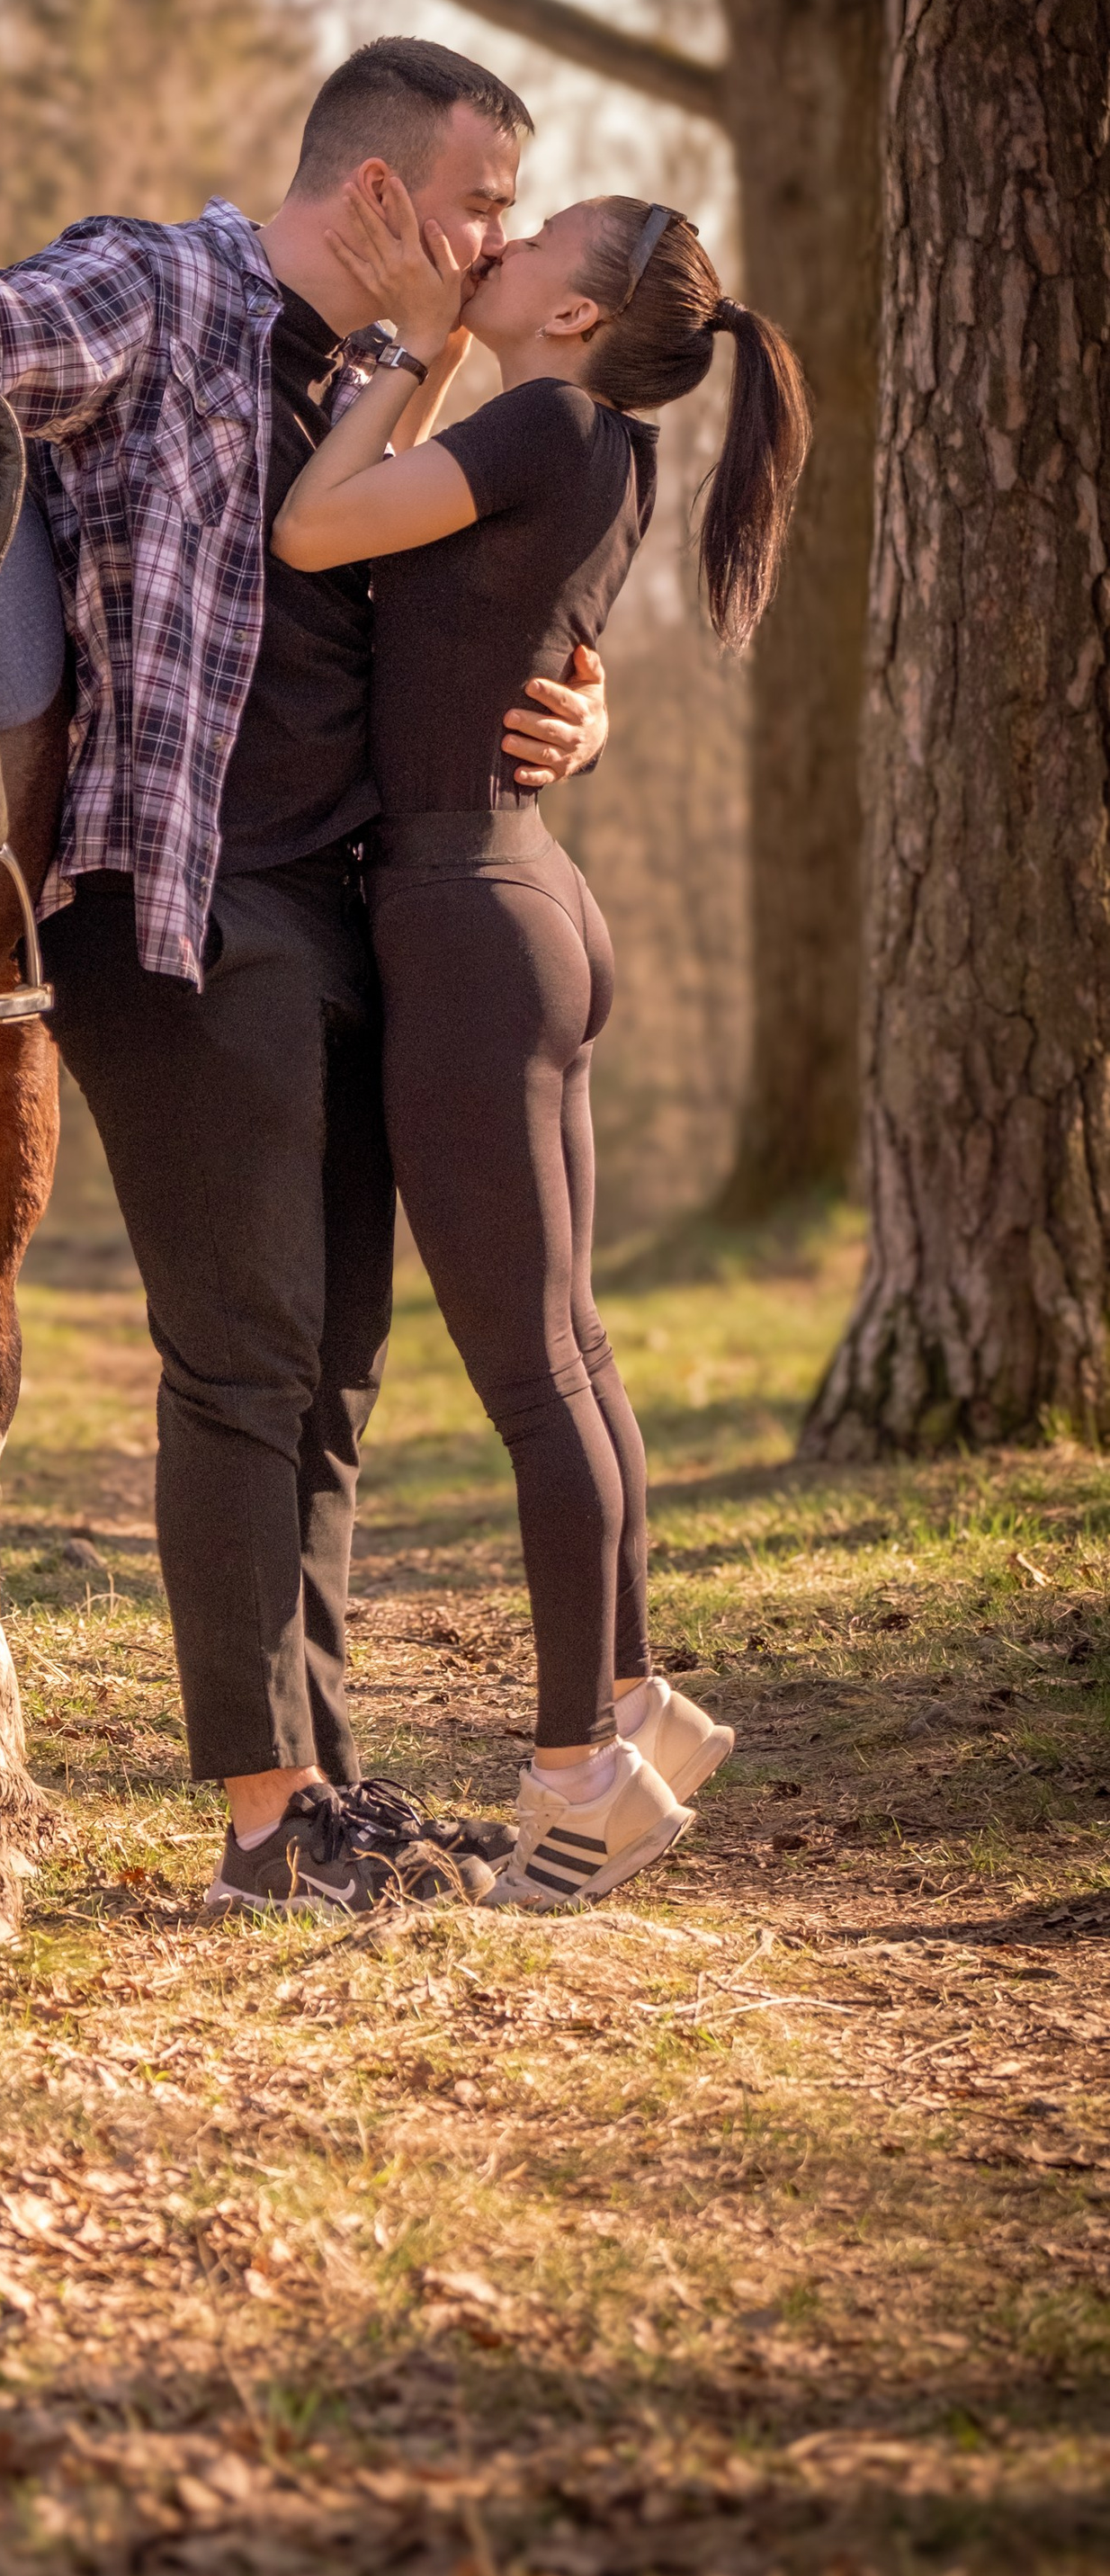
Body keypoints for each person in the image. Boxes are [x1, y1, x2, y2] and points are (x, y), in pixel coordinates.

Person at [0, 37, 612, 1916]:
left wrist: (579, 702)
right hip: (178, 908)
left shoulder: (423, 388)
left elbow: (488, 613)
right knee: (237, 1358)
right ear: (383, 197)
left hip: (368, 911)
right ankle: (257, 1817)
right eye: (479, 205)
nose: (495, 244)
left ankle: (320, 1780)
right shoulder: (169, 294)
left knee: (333, 1368)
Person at [272, 175, 810, 1908]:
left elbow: (311, 530)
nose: (500, 243)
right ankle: (638, 1700)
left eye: (537, 234)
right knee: (569, 1348)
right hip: (522, 900)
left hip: (468, 919)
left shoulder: (540, 423)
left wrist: (417, 353)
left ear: (578, 310)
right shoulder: (596, 443)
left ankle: (580, 1776)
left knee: (530, 1374)